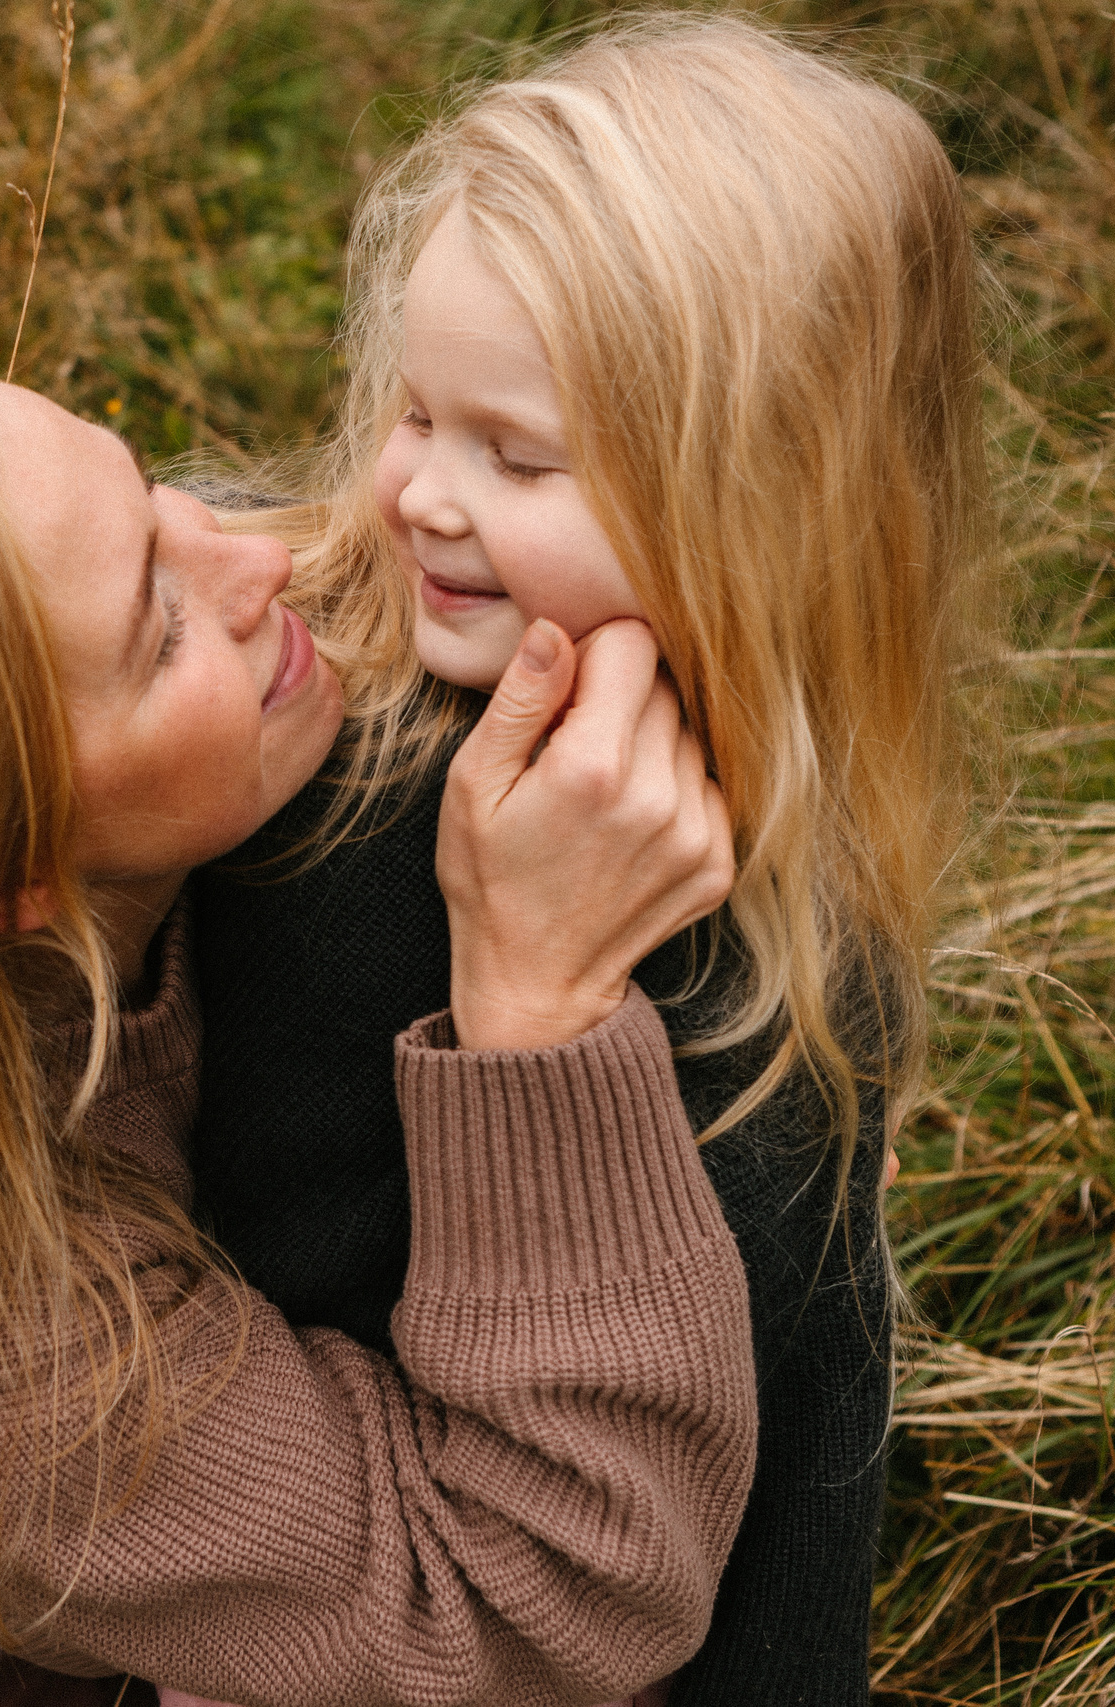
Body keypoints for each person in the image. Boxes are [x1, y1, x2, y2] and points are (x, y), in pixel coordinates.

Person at [0, 327, 762, 1706]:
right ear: (5, 876)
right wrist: (543, 1009)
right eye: (160, 628)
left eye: (149, 491)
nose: (258, 558)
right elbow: (559, 1599)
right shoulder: (12, 1373)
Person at [189, 17, 983, 1706]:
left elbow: (804, 1422)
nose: (419, 497)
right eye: (412, 411)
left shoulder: (781, 932)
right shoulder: (312, 747)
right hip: (258, 1550)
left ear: (768, 499)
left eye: (520, 457)